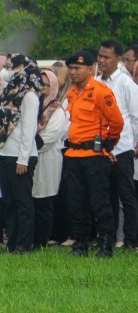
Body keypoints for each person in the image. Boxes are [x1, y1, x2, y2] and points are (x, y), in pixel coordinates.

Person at [61, 50, 124, 256]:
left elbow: (116, 122)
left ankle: (105, 244)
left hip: (94, 156)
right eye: (70, 68)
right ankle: (81, 243)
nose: (73, 72)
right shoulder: (72, 92)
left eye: (77, 68)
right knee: (76, 202)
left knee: (99, 202)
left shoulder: (100, 91)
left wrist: (108, 142)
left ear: (90, 69)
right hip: (73, 154)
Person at [98, 40, 138, 249]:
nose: (102, 60)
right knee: (106, 196)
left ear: (118, 59)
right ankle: (110, 238)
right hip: (102, 149)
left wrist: (132, 146)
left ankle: (131, 240)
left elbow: (135, 117)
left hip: (122, 149)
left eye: (106, 57)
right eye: (100, 56)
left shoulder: (126, 83)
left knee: (126, 196)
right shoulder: (96, 82)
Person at [0, 54, 43, 252]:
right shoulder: (10, 92)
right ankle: (13, 241)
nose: (8, 71)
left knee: (22, 202)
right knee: (9, 201)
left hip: (21, 156)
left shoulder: (30, 96)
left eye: (12, 67)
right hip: (5, 154)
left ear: (24, 69)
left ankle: (24, 244)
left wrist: (23, 159)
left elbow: (29, 130)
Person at [33, 68, 68, 247]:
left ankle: (41, 240)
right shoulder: (32, 106)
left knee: (44, 202)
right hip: (30, 160)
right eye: (41, 85)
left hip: (47, 160)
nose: (44, 89)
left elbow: (50, 137)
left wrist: (28, 146)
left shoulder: (57, 110)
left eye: (47, 86)